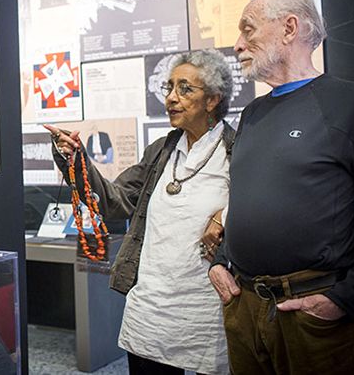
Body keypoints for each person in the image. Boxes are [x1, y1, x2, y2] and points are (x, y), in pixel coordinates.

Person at [209, 0, 354, 374]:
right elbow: (244, 201)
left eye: (247, 29)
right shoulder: (251, 114)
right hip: (245, 309)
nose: (237, 45)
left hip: (313, 316)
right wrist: (220, 261)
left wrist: (346, 299)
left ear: (289, 28)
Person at [46, 49, 235, 375]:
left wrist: (225, 215)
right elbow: (114, 200)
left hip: (206, 310)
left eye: (185, 89)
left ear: (213, 99)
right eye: (169, 88)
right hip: (152, 307)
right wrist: (76, 160)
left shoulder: (237, 150)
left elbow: (261, 207)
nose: (172, 98)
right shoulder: (161, 151)